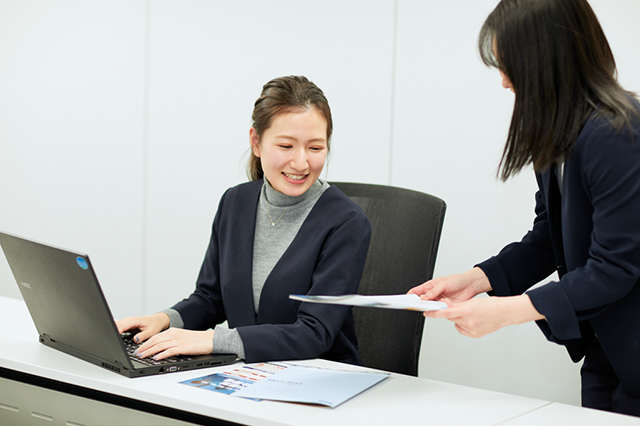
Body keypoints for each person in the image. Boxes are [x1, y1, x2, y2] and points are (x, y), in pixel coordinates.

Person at [408, 0, 640, 417]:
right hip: (609, 347)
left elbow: (615, 266)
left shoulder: (616, 133)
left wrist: (506, 312)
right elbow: (549, 238)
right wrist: (475, 280)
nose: (504, 81)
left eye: (509, 65)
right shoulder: (560, 134)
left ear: (548, 58)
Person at [116, 75, 371, 365]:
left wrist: (212, 340)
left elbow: (314, 334)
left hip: (319, 378)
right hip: (249, 373)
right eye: (286, 146)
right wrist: (164, 320)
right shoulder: (235, 202)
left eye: (315, 148)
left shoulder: (346, 222)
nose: (301, 163)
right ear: (256, 142)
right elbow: (211, 298)